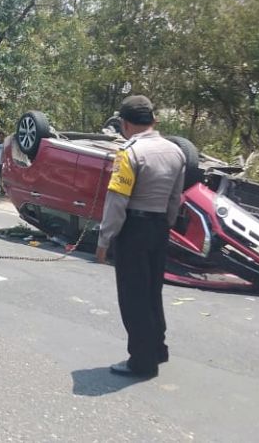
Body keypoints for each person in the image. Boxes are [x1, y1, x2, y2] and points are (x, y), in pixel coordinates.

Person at [95, 95, 185, 379]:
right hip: (159, 228)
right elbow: (175, 199)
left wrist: (104, 240)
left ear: (124, 124)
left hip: (133, 228)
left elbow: (117, 200)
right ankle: (158, 349)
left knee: (134, 297)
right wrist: (163, 226)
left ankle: (142, 361)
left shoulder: (129, 153)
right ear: (154, 121)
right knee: (151, 292)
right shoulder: (176, 152)